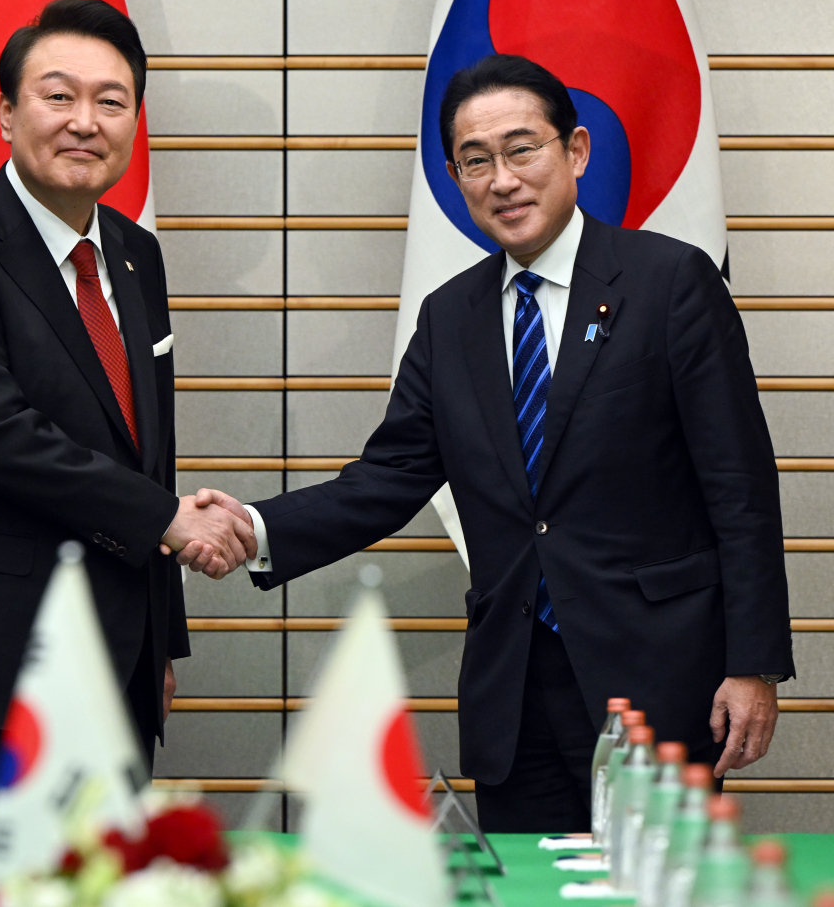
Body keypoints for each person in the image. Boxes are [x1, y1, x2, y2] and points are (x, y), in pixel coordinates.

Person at [199, 54, 794, 833]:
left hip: (655, 677)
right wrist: (253, 526)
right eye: (475, 161)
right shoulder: (452, 317)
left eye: (523, 149)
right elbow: (388, 477)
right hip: (515, 691)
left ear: (575, 151)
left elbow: (740, 487)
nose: (502, 178)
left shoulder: (670, 283)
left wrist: (752, 664)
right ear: (454, 176)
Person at [0, 0, 255, 830]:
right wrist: (171, 522)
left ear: (134, 121)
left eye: (111, 102)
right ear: (7, 113)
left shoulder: (136, 256)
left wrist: (161, 643)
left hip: (113, 665)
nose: (85, 121)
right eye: (57, 96)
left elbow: (152, 453)